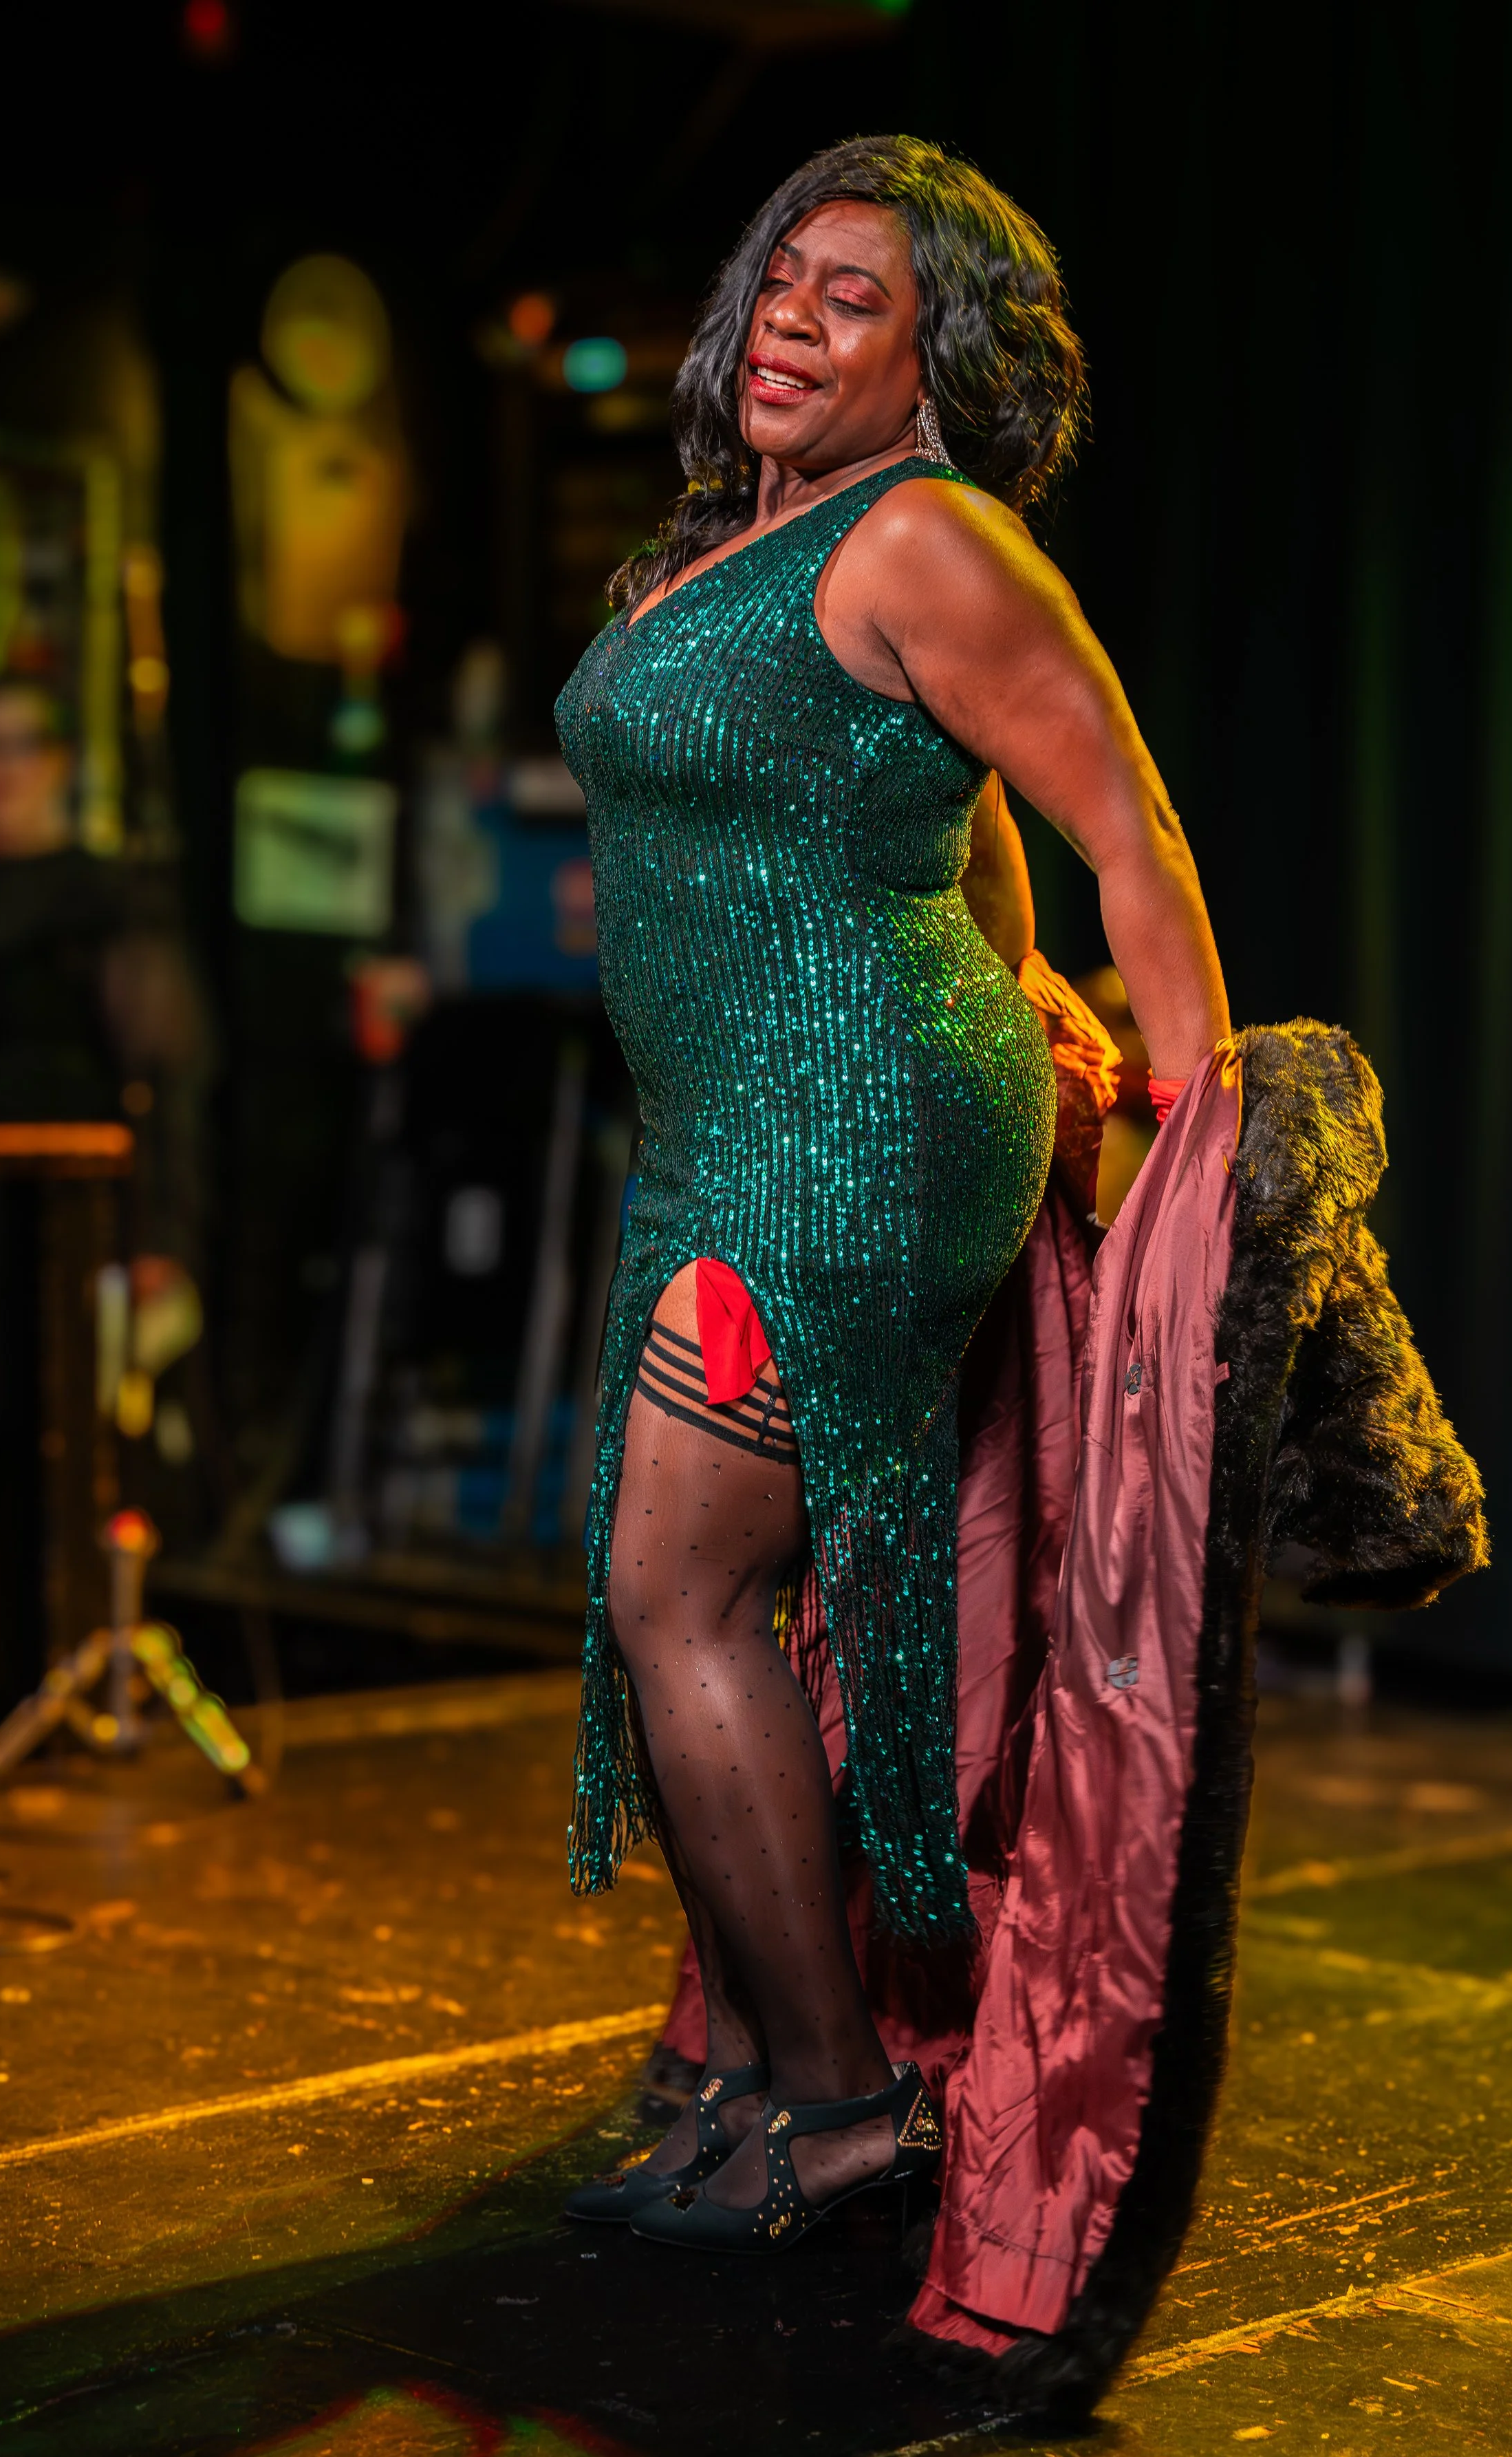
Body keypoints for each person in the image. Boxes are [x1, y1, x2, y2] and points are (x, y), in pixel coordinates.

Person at [553, 136, 1229, 2250]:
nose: (790, 318)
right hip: (726, 1119)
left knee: (681, 1595)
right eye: (780, 278)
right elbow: (945, 808)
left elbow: (1126, 828)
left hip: (847, 1118)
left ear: (936, 361)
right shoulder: (728, 541)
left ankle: (837, 2105)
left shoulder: (927, 535)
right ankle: (757, 2061)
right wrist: (1014, 961)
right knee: (671, 1599)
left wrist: (1198, 1151)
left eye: (853, 298)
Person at [0, 676, 209, 1718]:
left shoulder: (101, 895)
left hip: (72, 1222)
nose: (1, 770)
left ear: (60, 761)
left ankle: (60, 1675)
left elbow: (168, 1072)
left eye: (22, 746)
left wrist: (163, 1232)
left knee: (68, 1441)